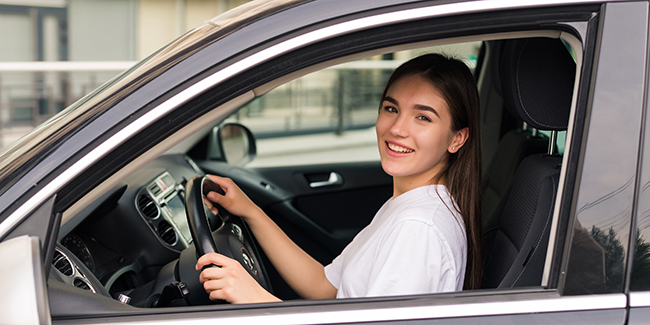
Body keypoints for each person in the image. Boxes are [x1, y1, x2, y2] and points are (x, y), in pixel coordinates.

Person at [196, 53, 482, 304]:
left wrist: (256, 300)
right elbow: (326, 287)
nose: (397, 128)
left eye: (423, 118)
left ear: (457, 139)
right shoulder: (410, 205)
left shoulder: (418, 228)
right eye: (391, 108)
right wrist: (251, 211)